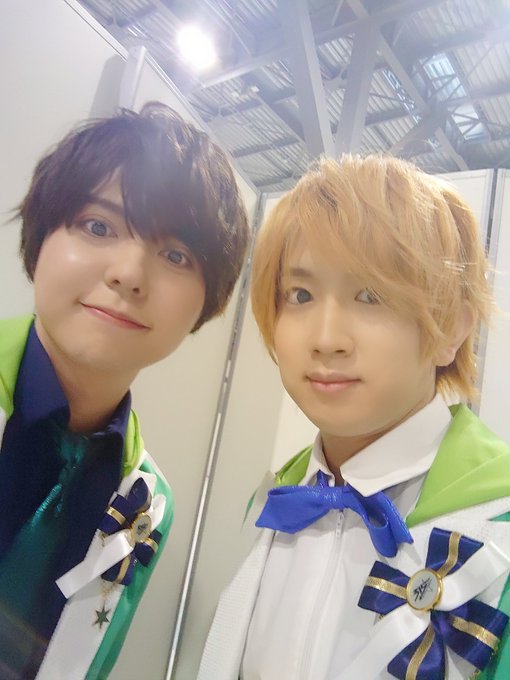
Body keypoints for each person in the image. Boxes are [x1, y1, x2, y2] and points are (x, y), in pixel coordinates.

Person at [198, 154, 510, 679]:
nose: (325, 339)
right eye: (300, 295)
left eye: (370, 295)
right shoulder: (272, 502)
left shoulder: (496, 515)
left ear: (452, 328)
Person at [0, 102, 249, 680]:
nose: (130, 273)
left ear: (206, 304)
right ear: (40, 237)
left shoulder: (148, 502)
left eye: (175, 255)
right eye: (98, 226)